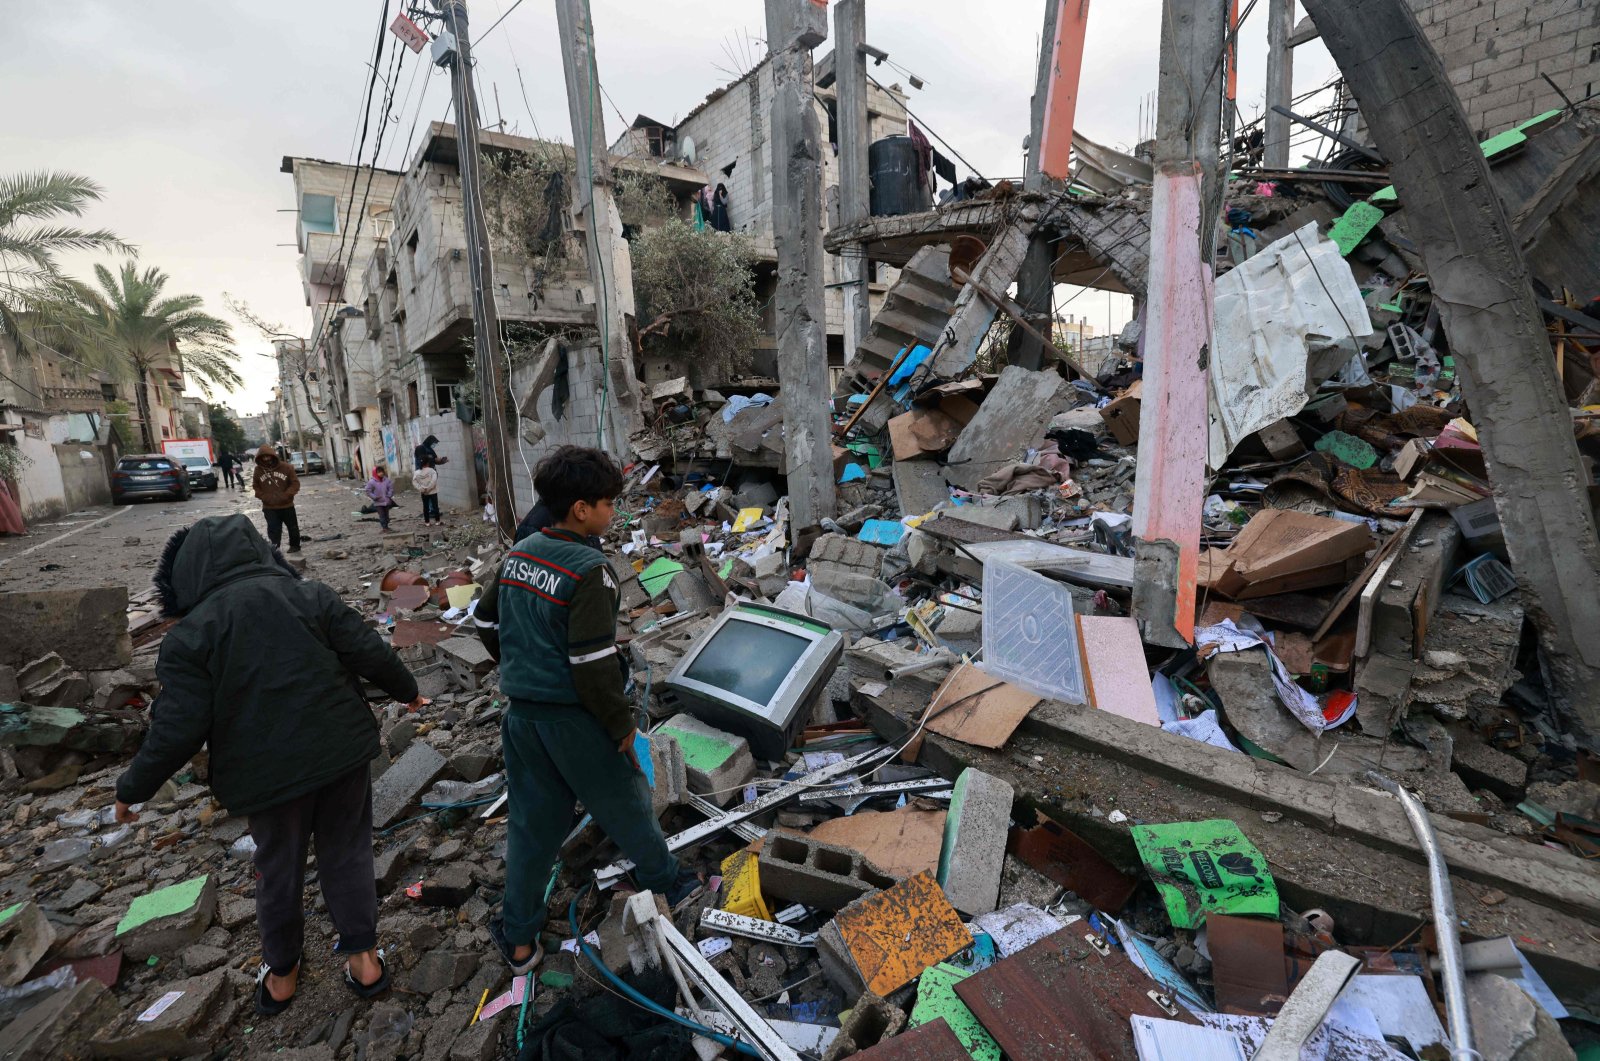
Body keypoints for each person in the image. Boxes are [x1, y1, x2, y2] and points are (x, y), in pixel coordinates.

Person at [113, 515, 425, 1016]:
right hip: (340, 753)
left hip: (265, 780)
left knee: (277, 869)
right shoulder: (312, 597)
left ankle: (282, 976)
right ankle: (365, 962)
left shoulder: (191, 635)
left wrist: (134, 788)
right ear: (262, 552)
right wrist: (409, 693)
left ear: (186, 576)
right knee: (347, 853)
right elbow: (369, 651)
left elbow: (177, 727)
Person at [473, 446, 694, 973]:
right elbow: (592, 665)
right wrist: (620, 727)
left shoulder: (520, 553)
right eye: (607, 503)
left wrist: (520, 665)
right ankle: (665, 880)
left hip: (523, 718)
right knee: (627, 801)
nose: (612, 512)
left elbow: (484, 623)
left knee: (531, 827)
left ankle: (520, 940)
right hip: (577, 720)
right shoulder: (591, 570)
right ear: (580, 509)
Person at [252, 445, 301, 553]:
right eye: (263, 457)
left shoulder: (287, 467)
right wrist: (264, 497)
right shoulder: (258, 470)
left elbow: (295, 484)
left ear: (273, 456)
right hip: (269, 506)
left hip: (287, 505)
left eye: (268, 456)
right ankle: (275, 548)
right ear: (259, 458)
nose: (266, 459)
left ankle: (295, 546)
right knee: (273, 529)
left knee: (292, 527)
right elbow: (256, 486)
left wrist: (286, 495)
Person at [364, 466, 395, 532]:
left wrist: (389, 495)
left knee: (386, 515)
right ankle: (384, 528)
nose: (381, 473)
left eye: (382, 471)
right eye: (379, 472)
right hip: (378, 502)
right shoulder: (372, 482)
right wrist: (374, 497)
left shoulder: (387, 480)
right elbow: (368, 491)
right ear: (375, 473)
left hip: (386, 501)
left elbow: (391, 489)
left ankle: (386, 527)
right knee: (382, 515)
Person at [414, 456, 441, 527]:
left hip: (424, 492)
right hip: (433, 491)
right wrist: (429, 488)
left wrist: (421, 489)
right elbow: (434, 481)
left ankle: (427, 522)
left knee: (425, 507)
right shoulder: (432, 471)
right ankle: (437, 521)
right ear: (428, 463)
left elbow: (414, 482)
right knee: (435, 506)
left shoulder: (417, 472)